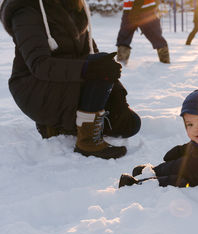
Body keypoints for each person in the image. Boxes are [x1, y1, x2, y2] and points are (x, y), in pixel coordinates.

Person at [0, 0, 141, 159]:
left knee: (130, 124)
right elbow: (40, 65)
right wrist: (89, 69)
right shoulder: (26, 10)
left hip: (71, 79)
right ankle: (87, 141)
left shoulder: (74, 5)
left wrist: (113, 90)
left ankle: (60, 126)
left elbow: (91, 51)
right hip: (36, 87)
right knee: (98, 65)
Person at [119, 86, 198, 213]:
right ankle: (153, 171)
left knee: (173, 180)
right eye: (190, 124)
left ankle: (138, 186)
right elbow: (193, 147)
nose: (195, 129)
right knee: (178, 164)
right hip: (196, 168)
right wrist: (180, 150)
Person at [116, 0, 170, 65]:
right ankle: (121, 64)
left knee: (155, 36)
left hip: (146, 9)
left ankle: (165, 64)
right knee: (124, 37)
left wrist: (135, 9)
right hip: (128, 10)